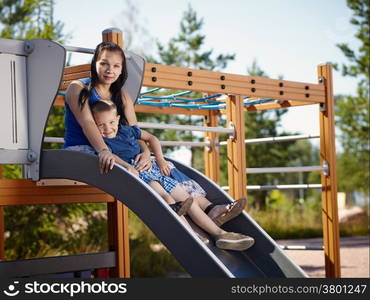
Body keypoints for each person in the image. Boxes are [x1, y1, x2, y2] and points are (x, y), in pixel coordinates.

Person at [63, 41, 254, 251]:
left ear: (122, 69)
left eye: (117, 66)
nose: (110, 70)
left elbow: (135, 132)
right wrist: (104, 151)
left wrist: (145, 153)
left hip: (123, 152)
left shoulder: (122, 96)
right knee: (156, 185)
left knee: (164, 169)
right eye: (104, 63)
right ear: (95, 63)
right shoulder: (79, 88)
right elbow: (88, 123)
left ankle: (212, 220)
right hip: (90, 149)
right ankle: (193, 227)